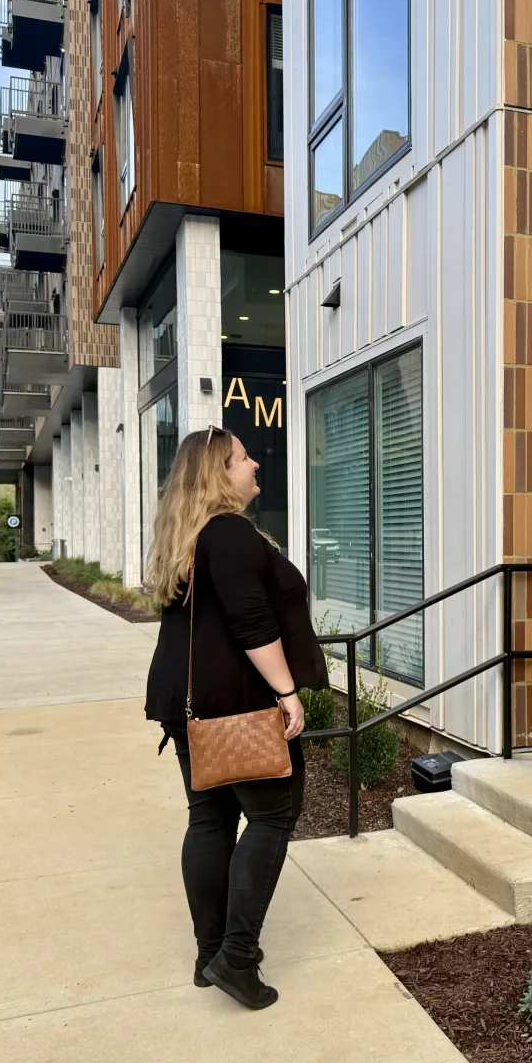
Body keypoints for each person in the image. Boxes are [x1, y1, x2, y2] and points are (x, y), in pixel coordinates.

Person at [144, 425, 328, 1010]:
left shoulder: (191, 536)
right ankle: (237, 958)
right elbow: (253, 625)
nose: (255, 467)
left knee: (211, 819)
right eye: (244, 459)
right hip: (239, 704)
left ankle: (210, 954)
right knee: (274, 815)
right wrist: (287, 691)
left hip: (190, 706)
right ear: (218, 474)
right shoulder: (231, 535)